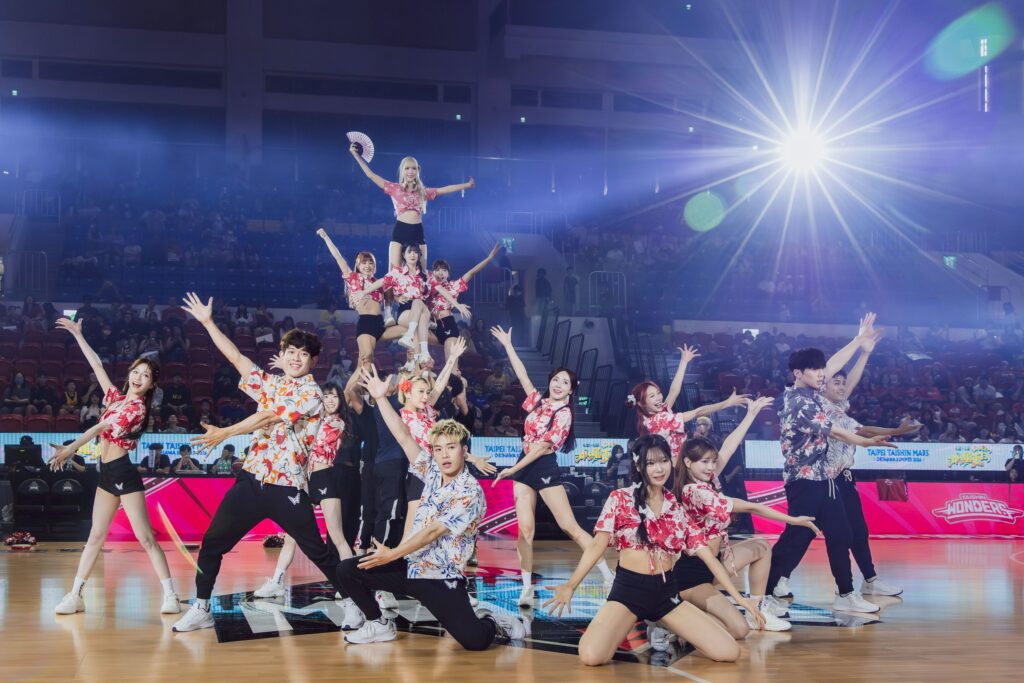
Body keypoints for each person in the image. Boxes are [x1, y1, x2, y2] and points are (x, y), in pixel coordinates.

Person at [171, 293, 346, 633]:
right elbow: (237, 358)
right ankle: (202, 607)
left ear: (313, 361)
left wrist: (225, 432)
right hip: (252, 480)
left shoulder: (311, 393)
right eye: (291, 351)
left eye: (303, 354)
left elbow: (268, 417)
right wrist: (208, 323)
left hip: (286, 486)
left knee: (319, 553)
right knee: (212, 543)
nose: (296, 358)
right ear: (283, 354)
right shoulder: (272, 384)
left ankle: (357, 606)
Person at [337, 370, 527, 648]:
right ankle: (378, 623)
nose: (444, 454)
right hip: (410, 567)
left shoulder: (470, 491)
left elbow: (432, 532)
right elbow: (404, 437)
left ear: (464, 451)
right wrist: (381, 399)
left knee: (474, 641)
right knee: (347, 570)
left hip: (441, 577)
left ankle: (493, 621)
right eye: (438, 449)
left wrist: (392, 554)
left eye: (451, 448)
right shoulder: (431, 471)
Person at [543, 435, 745, 666]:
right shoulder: (620, 498)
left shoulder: (676, 507)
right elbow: (597, 545)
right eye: (650, 463)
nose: (659, 469)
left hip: (666, 594)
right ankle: (643, 622)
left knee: (729, 652)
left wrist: (740, 599)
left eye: (664, 461)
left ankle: (664, 624)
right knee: (592, 656)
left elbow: (707, 556)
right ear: (639, 466)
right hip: (628, 592)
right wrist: (571, 585)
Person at [765, 314, 899, 614]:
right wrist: (864, 442)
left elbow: (834, 365)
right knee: (795, 537)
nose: (821, 374)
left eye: (820, 369)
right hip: (803, 480)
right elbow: (834, 430)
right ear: (798, 373)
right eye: (814, 370)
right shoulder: (797, 401)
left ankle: (845, 593)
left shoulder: (813, 393)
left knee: (841, 533)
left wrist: (858, 342)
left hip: (824, 479)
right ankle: (767, 592)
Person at [47, 317, 180, 617]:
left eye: (145, 375)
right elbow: (97, 365)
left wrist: (70, 448)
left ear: (151, 384)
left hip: (123, 473)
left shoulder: (137, 409)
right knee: (95, 536)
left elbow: (101, 427)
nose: (138, 377)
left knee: (145, 538)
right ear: (130, 373)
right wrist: (79, 335)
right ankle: (76, 595)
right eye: (136, 371)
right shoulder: (116, 399)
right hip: (106, 474)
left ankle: (170, 595)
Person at [672, 398, 818, 640]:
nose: (711, 467)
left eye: (712, 462)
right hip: (692, 576)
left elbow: (728, 447)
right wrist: (793, 520)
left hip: (715, 562)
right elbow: (751, 507)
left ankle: (757, 611)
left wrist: (750, 415)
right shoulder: (694, 492)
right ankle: (673, 618)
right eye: (705, 462)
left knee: (761, 546)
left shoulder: (706, 479)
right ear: (688, 462)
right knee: (737, 631)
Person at [489, 325, 615, 607]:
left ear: (571, 390)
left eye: (565, 382)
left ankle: (608, 574)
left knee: (569, 526)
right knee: (526, 530)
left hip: (543, 466)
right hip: (524, 465)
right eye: (556, 379)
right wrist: (508, 345)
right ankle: (525, 588)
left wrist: (513, 469)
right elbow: (522, 375)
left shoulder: (565, 413)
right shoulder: (539, 402)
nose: (558, 384)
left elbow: (543, 447)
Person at [225, 380, 356, 600]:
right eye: (326, 396)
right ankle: (276, 581)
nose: (330, 400)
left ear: (341, 400)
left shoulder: (336, 422)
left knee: (337, 537)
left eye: (335, 396)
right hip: (305, 481)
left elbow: (311, 440)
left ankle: (352, 583)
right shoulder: (312, 417)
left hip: (325, 478)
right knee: (291, 537)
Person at [349, 143, 475, 270]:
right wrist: (356, 156)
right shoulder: (394, 188)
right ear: (402, 171)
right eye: (407, 168)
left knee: (421, 273)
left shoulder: (423, 191)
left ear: (418, 170)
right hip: (400, 230)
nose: (410, 171)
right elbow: (371, 175)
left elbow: (444, 189)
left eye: (414, 168)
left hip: (417, 231)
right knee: (394, 273)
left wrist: (466, 185)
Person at [629, 346, 748, 466]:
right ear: (641, 403)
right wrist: (727, 403)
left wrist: (684, 361)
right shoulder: (660, 419)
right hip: (673, 469)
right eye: (652, 396)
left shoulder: (653, 415)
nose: (659, 398)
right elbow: (697, 412)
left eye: (658, 393)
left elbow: (673, 392)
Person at [318, 230, 385, 370]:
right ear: (358, 265)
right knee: (367, 360)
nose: (368, 265)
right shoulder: (353, 277)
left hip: (380, 322)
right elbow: (338, 257)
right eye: (364, 262)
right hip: (366, 321)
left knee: (363, 364)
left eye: (371, 262)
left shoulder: (378, 282)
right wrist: (326, 237)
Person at [427, 243, 501, 370]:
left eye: (444, 270)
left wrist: (489, 258)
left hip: (447, 325)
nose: (440, 273)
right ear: (433, 272)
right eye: (437, 270)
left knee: (452, 369)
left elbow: (472, 272)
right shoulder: (428, 284)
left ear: (448, 274)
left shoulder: (454, 286)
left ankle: (455, 378)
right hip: (430, 327)